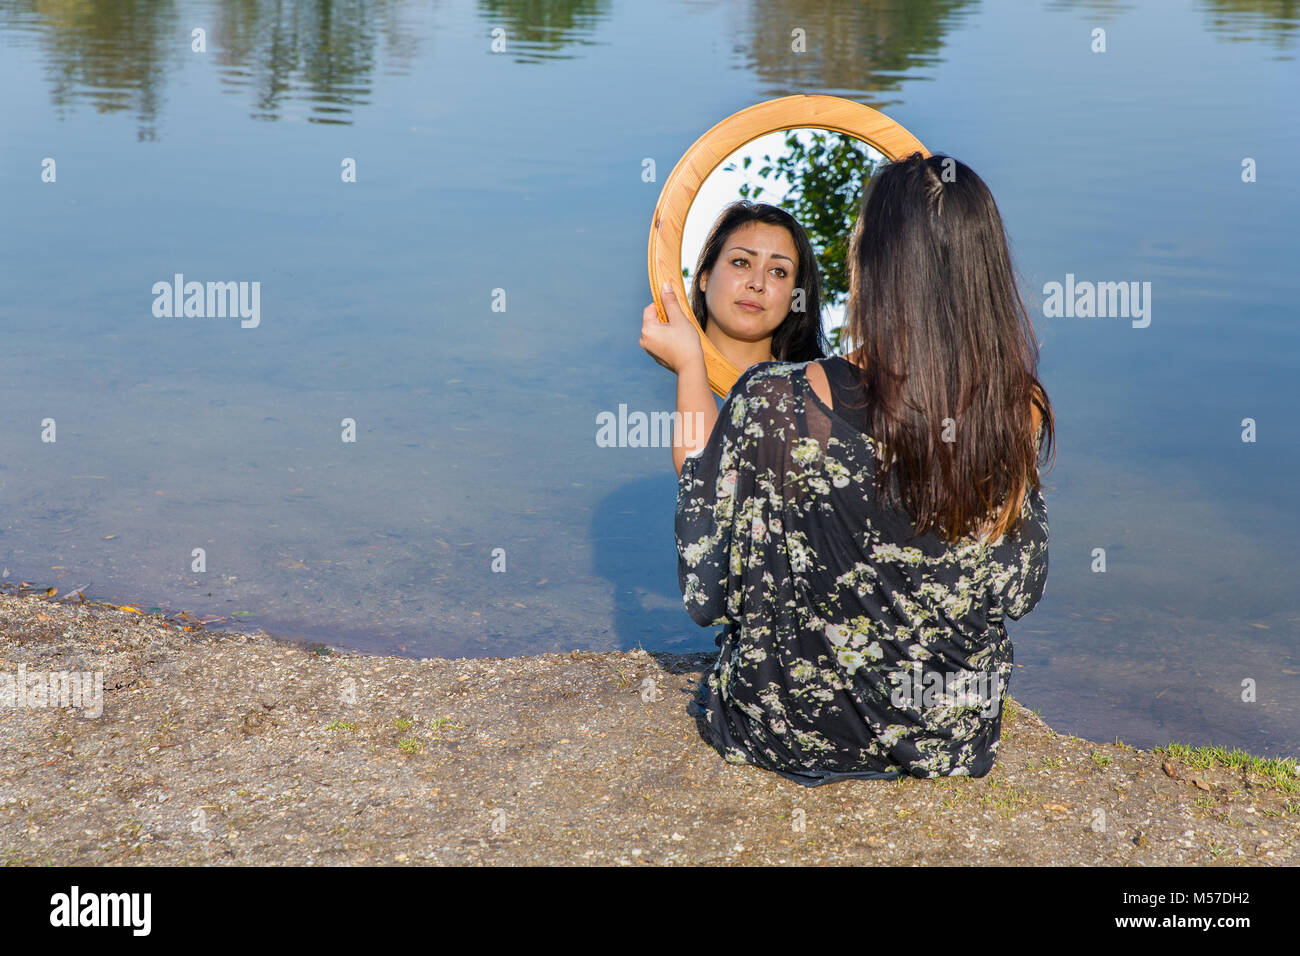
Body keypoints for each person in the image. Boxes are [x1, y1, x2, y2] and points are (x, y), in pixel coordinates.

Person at [640, 152, 1055, 785]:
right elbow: (1019, 588)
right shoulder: (1015, 407)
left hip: (790, 731)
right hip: (949, 732)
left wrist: (692, 369)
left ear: (875, 268)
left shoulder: (774, 400)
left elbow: (708, 581)